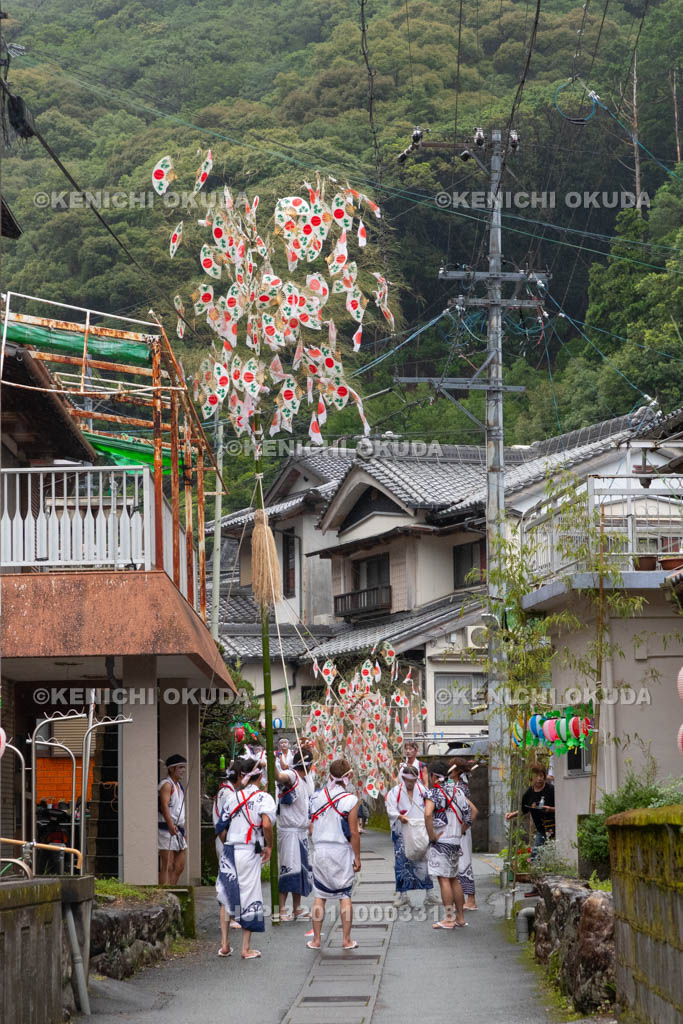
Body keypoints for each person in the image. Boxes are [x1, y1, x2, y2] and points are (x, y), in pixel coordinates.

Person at [215, 756, 275, 960]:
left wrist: (227, 843)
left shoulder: (234, 797)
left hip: (231, 849)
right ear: (260, 777)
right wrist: (269, 846)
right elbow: (266, 824)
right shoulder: (264, 798)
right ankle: (245, 948)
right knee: (250, 894)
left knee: (226, 894)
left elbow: (220, 827)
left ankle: (224, 945)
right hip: (249, 850)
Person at [307, 758, 361, 951]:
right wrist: (357, 857)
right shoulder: (351, 800)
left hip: (320, 850)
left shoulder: (315, 797)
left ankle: (316, 940)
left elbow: (311, 825)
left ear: (330, 775)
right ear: (348, 776)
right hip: (340, 850)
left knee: (319, 896)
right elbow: (354, 832)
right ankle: (346, 940)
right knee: (344, 894)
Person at [424, 759, 471, 930]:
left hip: (441, 840)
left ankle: (449, 919)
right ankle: (460, 917)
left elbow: (428, 814)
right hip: (455, 840)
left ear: (433, 776)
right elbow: (469, 815)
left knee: (444, 879)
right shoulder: (458, 791)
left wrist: (432, 836)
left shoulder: (433, 792)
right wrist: (459, 831)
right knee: (454, 878)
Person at [386, 763, 438, 908]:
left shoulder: (423, 790)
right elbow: (390, 809)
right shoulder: (395, 792)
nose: (410, 784)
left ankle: (429, 894)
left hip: (420, 831)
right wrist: (398, 816)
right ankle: (403, 895)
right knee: (401, 863)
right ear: (403, 778)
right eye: (408, 781)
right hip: (402, 831)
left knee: (425, 862)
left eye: (413, 781)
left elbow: (430, 809)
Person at [274, 747, 314, 922]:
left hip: (301, 832)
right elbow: (279, 777)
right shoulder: (291, 776)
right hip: (289, 832)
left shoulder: (305, 780)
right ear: (308, 765)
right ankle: (282, 909)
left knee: (300, 871)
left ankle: (296, 908)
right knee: (288, 870)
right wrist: (271, 762)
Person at [213, 763, 240, 952]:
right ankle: (232, 917)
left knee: (227, 878)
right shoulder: (230, 794)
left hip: (221, 839)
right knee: (229, 880)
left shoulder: (223, 790)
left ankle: (231, 916)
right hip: (226, 839)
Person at [505, 762, 555, 859]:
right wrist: (512, 814)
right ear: (531, 778)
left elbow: (562, 808)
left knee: (546, 855)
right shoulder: (529, 794)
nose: (539, 779)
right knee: (535, 856)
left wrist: (550, 809)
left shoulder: (552, 790)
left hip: (556, 828)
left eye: (541, 775)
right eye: (536, 776)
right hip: (542, 830)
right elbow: (524, 810)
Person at [448, 760, 479, 911]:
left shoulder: (460, 788)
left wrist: (463, 827)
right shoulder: (456, 786)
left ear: (456, 771)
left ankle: (471, 899)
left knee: (464, 863)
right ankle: (462, 899)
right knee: (458, 863)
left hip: (462, 830)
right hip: (458, 829)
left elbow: (471, 811)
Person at [158, 754, 187, 885]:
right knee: (168, 865)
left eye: (184, 767)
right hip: (166, 828)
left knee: (179, 866)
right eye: (180, 767)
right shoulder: (167, 785)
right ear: (171, 769)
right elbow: (164, 806)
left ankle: (173, 893)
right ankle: (165, 895)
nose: (183, 770)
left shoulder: (178, 785)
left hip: (178, 829)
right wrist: (170, 825)